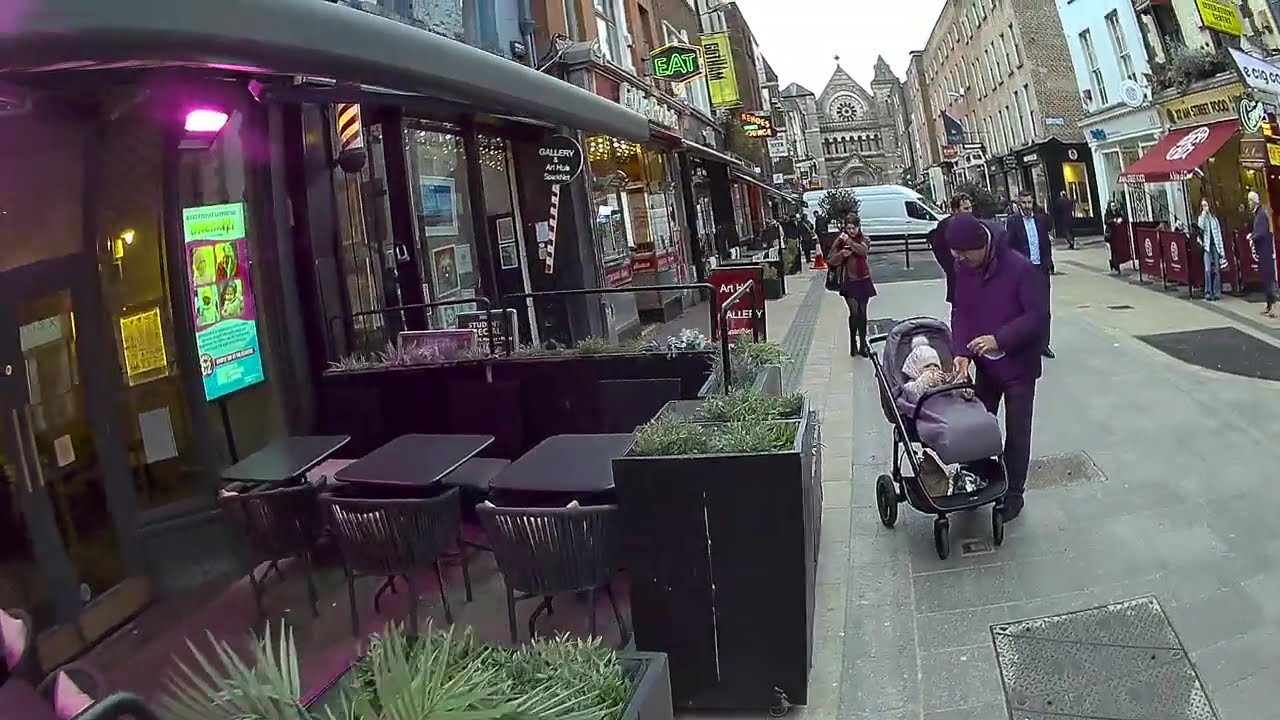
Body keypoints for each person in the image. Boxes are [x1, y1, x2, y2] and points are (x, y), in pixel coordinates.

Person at [945, 213, 1050, 521]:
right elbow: (960, 311)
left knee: (1017, 433)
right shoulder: (962, 268)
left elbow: (1037, 317)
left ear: (982, 245)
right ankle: (975, 476)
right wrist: (961, 352)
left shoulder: (1020, 268)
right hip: (985, 367)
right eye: (956, 254)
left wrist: (999, 339)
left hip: (1019, 366)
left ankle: (1013, 493)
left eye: (965, 253)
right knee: (976, 424)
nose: (961, 259)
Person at [1005, 189, 1055, 359]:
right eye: (1023, 203)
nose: (1027, 206)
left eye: (1029, 202)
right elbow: (1009, 246)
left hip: (1040, 269)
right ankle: (1028, 342)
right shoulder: (1013, 222)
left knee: (1044, 309)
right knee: (1025, 308)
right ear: (1018, 204)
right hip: (1023, 272)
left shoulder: (1040, 220)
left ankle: (1044, 344)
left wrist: (1049, 262)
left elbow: (1045, 243)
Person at [830, 217, 876, 356]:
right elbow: (830, 259)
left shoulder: (864, 239)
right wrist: (841, 255)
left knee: (863, 313)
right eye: (848, 228)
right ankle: (853, 344)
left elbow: (863, 251)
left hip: (863, 279)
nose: (851, 231)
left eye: (853, 228)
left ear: (858, 227)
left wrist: (849, 242)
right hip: (848, 280)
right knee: (854, 313)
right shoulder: (839, 241)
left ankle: (863, 345)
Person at [928, 193, 974, 305]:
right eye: (966, 208)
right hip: (957, 278)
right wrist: (950, 268)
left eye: (970, 208)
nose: (969, 211)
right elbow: (939, 249)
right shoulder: (944, 226)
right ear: (955, 210)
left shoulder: (974, 224)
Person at [1248, 191, 1277, 318]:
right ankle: (1269, 305)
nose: (1248, 203)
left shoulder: (1260, 215)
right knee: (1266, 279)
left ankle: (1273, 306)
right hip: (1264, 252)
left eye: (1249, 200)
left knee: (1268, 279)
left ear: (1254, 201)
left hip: (1265, 252)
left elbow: (1261, 233)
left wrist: (1252, 237)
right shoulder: (1259, 214)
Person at [1197, 199, 1225, 302]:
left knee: (1217, 270)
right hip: (1207, 247)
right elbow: (1200, 228)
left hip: (1215, 247)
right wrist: (1204, 215)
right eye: (1203, 206)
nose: (1205, 207)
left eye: (1206, 205)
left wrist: (1222, 252)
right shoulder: (1201, 218)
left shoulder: (1214, 220)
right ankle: (1208, 291)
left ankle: (1216, 292)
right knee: (1207, 269)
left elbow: (1219, 236)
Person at [1104, 200, 1126, 272]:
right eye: (1112, 206)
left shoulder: (1118, 212)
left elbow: (1123, 218)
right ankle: (1115, 264)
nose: (1114, 207)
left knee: (1117, 250)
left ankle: (1114, 263)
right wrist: (1113, 220)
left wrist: (1121, 219)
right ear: (1110, 207)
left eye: (1115, 206)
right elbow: (1106, 221)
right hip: (1111, 234)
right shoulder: (1107, 213)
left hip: (1118, 233)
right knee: (1114, 250)